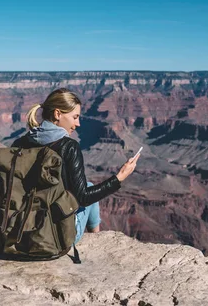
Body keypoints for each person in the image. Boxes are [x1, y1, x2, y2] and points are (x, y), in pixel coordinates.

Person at [12, 88, 140, 244]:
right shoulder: (68, 147)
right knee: (89, 189)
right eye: (75, 117)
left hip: (20, 233)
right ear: (57, 114)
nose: (78, 124)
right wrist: (120, 177)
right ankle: (96, 241)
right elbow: (84, 198)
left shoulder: (20, 143)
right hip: (55, 237)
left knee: (86, 185)